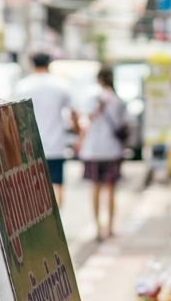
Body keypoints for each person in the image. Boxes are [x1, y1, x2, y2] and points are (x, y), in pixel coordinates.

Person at [13, 52, 79, 206]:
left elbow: (14, 116)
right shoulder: (61, 85)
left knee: (33, 186)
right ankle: (57, 222)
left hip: (30, 145)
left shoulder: (22, 86)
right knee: (56, 184)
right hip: (56, 144)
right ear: (49, 63)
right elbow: (73, 112)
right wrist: (77, 134)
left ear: (32, 64)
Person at [77, 66, 128, 240]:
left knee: (95, 188)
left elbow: (84, 121)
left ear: (99, 79)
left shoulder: (92, 97)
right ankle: (111, 227)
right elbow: (126, 123)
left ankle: (97, 227)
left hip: (93, 150)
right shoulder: (118, 100)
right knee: (111, 189)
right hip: (112, 150)